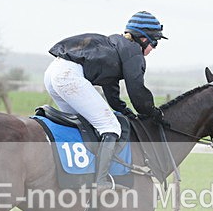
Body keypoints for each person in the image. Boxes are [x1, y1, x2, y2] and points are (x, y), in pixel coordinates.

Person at [44, 10, 167, 190]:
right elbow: (137, 91)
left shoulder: (117, 46)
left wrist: (124, 111)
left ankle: (77, 173)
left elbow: (111, 89)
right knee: (111, 127)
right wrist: (152, 112)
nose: (154, 48)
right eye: (154, 42)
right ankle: (100, 181)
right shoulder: (133, 53)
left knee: (86, 125)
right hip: (68, 76)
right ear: (143, 38)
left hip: (53, 72)